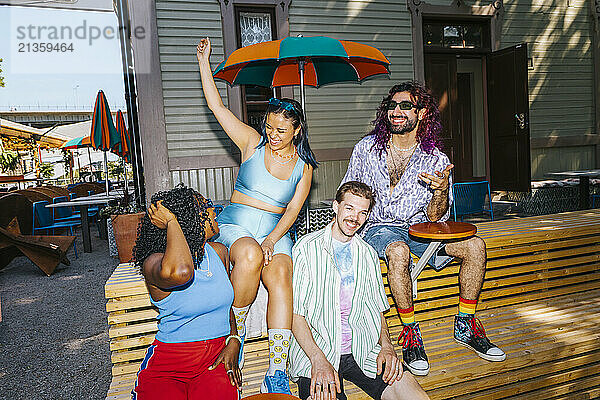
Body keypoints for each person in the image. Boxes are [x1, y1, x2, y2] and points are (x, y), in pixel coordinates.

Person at [340, 81, 505, 376]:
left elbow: (436, 215)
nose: (396, 111)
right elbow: (348, 191)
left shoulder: (436, 160)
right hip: (377, 227)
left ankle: (465, 324)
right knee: (398, 251)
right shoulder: (366, 149)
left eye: (406, 106)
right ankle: (410, 332)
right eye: (392, 105)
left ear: (423, 113)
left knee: (475, 246)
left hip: (420, 229)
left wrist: (441, 190)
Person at [196, 37, 317, 394]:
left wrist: (272, 240)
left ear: (297, 130)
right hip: (236, 225)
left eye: (281, 130)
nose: (273, 135)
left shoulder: (304, 166)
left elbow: (293, 209)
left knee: (280, 272)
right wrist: (204, 63)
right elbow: (217, 107)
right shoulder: (251, 142)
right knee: (248, 253)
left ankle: (277, 369)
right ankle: (237, 333)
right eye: (269, 127)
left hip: (275, 231)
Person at [289, 181, 430, 400]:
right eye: (349, 208)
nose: (355, 218)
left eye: (362, 212)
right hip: (318, 350)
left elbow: (377, 310)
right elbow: (296, 316)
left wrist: (387, 346)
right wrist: (318, 360)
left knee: (417, 398)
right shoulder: (306, 248)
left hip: (363, 349)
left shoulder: (367, 254)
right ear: (336, 206)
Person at [131, 185, 242, 400]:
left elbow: (226, 306)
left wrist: (234, 339)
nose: (215, 211)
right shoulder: (155, 262)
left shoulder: (218, 252)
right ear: (191, 219)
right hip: (169, 366)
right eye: (208, 207)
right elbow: (182, 272)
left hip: (214, 360)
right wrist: (173, 222)